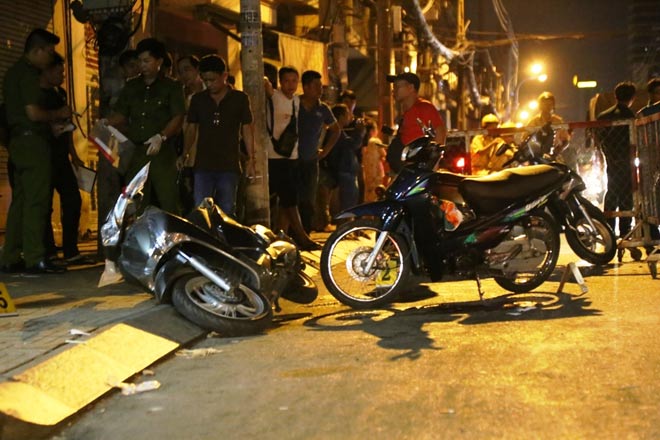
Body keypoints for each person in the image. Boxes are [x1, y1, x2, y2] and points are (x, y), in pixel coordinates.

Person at [2, 28, 71, 274]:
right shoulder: (30, 74)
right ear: (38, 50)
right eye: (49, 52)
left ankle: (10, 256)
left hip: (18, 142)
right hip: (33, 144)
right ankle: (34, 257)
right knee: (37, 201)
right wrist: (58, 114)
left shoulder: (13, 72)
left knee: (20, 202)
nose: (51, 57)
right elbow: (33, 113)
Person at [105, 37, 185, 215]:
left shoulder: (171, 87)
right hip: (138, 152)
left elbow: (178, 116)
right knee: (134, 201)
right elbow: (121, 114)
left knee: (169, 200)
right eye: (140, 61)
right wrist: (106, 122)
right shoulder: (132, 86)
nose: (142, 65)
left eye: (147, 61)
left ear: (159, 61)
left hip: (162, 152)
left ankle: (173, 233)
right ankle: (137, 232)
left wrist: (161, 136)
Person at [180, 55, 255, 216]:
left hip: (229, 164)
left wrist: (251, 158)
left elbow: (247, 129)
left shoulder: (239, 99)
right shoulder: (198, 100)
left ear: (224, 76)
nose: (209, 84)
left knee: (227, 210)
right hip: (203, 164)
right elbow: (191, 128)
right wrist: (185, 153)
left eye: (213, 80)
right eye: (205, 80)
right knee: (201, 210)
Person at [40, 52, 93, 265]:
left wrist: (74, 154)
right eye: (59, 71)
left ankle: (71, 250)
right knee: (44, 205)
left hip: (62, 157)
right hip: (43, 156)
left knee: (73, 199)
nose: (62, 75)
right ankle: (49, 251)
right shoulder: (36, 95)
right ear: (46, 70)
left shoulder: (60, 93)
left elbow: (68, 128)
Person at [266, 66, 320, 251]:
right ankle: (301, 237)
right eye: (287, 81)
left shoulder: (296, 100)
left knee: (287, 200)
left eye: (294, 81)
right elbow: (264, 83)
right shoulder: (274, 96)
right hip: (275, 156)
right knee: (289, 199)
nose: (290, 85)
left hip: (292, 156)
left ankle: (282, 237)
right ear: (280, 82)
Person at [297, 70, 340, 233]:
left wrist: (325, 151)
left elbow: (336, 130)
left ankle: (305, 233)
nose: (320, 90)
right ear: (306, 87)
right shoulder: (294, 104)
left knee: (309, 199)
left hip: (311, 160)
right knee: (292, 199)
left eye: (321, 86)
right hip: (291, 159)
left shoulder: (323, 109)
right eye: (316, 86)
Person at [597, 82, 636, 245]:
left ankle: (608, 229)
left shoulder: (603, 116)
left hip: (611, 161)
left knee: (612, 192)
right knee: (627, 195)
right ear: (632, 98)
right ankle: (625, 230)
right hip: (627, 160)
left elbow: (601, 140)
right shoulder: (631, 116)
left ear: (615, 96)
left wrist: (609, 156)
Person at [385, 72, 447, 174]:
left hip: (417, 170)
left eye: (397, 87)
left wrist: (433, 164)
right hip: (406, 171)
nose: (393, 90)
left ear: (410, 88)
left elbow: (440, 131)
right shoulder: (407, 111)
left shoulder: (424, 107)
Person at [176, 55, 205, 213]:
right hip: (189, 157)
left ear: (197, 70)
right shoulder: (182, 97)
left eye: (187, 69)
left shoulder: (211, 93)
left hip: (209, 157)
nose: (184, 75)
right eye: (180, 72)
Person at [340, 89, 366, 201]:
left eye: (352, 102)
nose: (349, 105)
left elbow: (362, 144)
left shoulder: (358, 122)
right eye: (346, 101)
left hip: (356, 159)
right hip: (342, 161)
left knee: (359, 189)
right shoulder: (339, 120)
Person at [527, 91, 570, 157]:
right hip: (536, 155)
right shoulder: (534, 121)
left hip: (553, 155)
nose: (548, 106)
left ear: (553, 106)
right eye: (545, 104)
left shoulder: (558, 121)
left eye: (550, 104)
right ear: (540, 105)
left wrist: (557, 151)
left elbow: (566, 140)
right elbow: (525, 138)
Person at [362, 120, 387, 202]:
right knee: (376, 194)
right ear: (372, 130)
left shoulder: (364, 143)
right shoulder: (376, 142)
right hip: (376, 173)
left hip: (366, 173)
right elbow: (384, 155)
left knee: (368, 195)